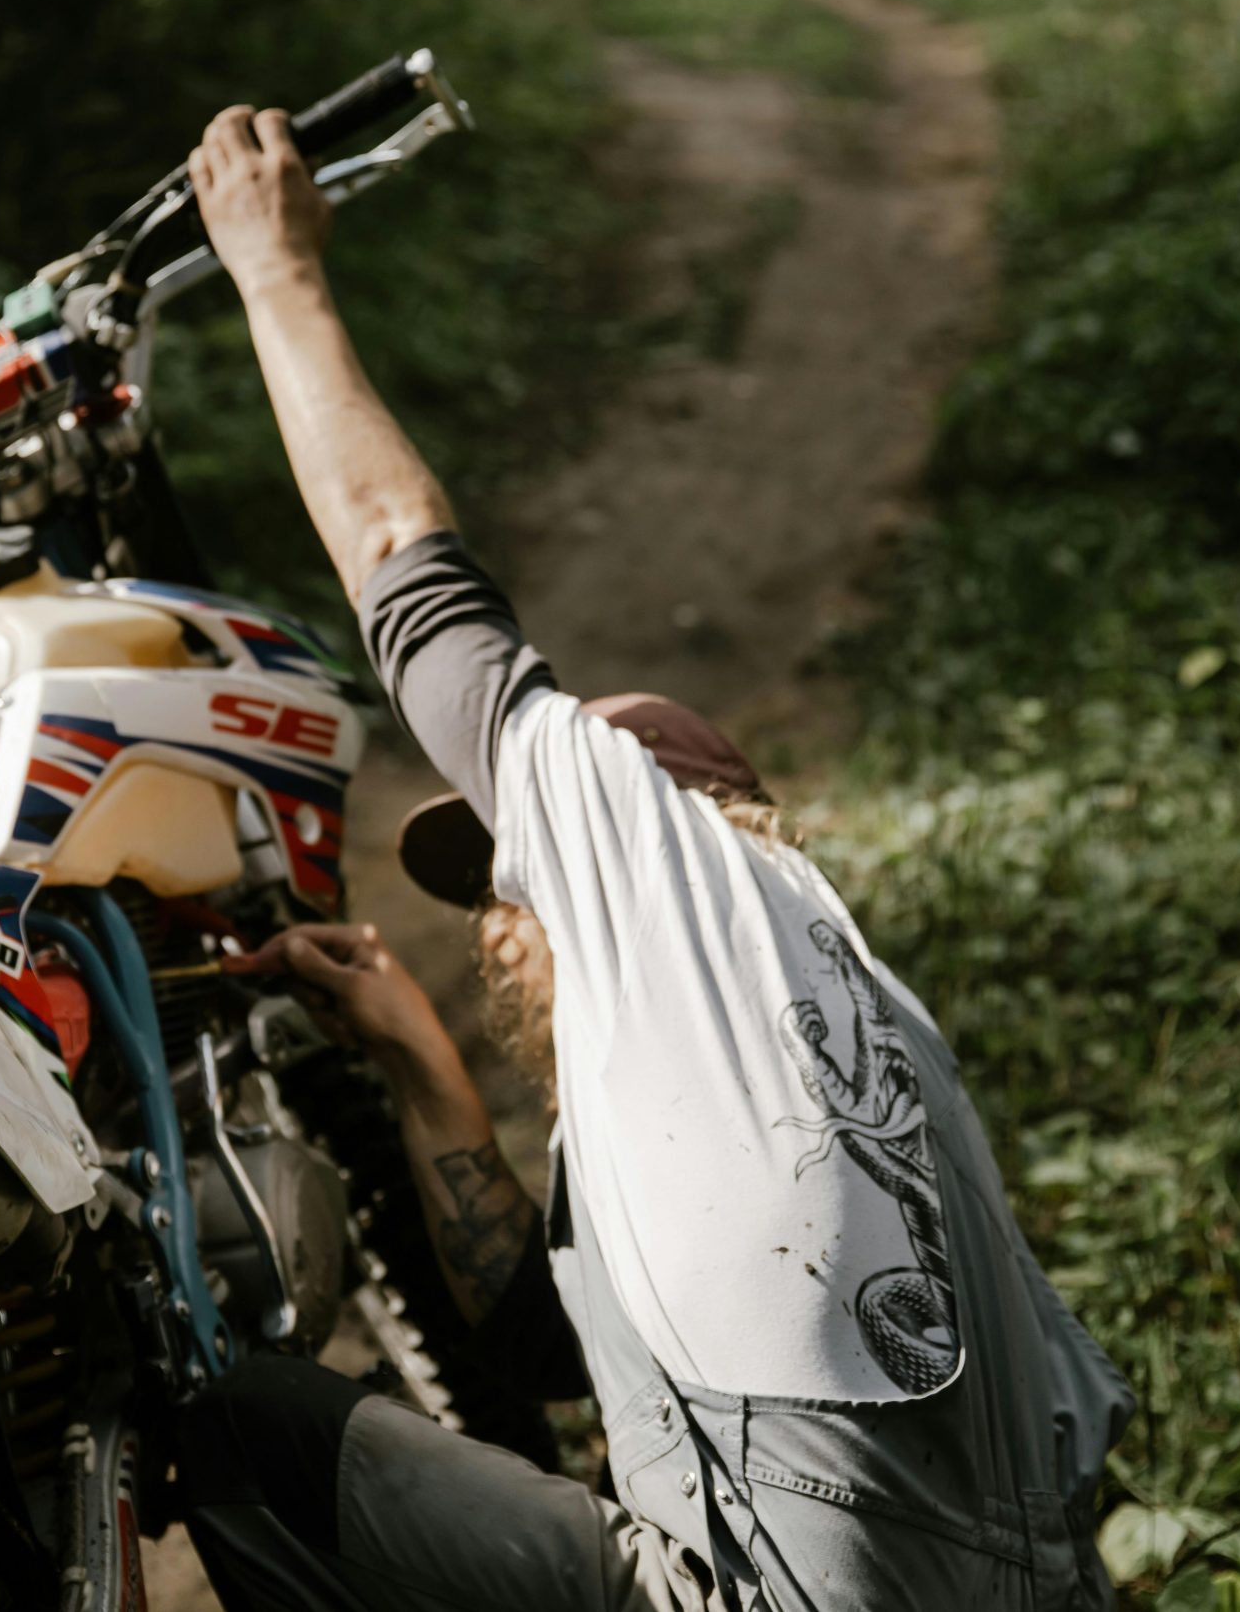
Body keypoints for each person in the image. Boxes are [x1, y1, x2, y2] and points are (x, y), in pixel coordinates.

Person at [171, 103, 1135, 1612]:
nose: (494, 912)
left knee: (241, 1431)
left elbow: (399, 568)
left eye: (508, 870)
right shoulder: (812, 1075)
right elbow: (544, 1355)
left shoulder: (670, 861)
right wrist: (427, 1069)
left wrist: (273, 270)